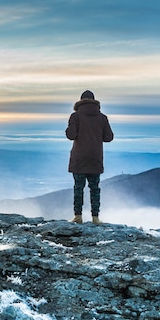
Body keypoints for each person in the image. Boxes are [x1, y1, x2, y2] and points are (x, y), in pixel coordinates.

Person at [66, 90, 114, 224]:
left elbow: (71, 135)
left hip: (79, 158)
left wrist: (69, 129)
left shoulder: (75, 116)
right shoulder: (102, 117)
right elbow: (108, 137)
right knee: (95, 188)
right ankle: (95, 217)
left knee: (78, 188)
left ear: (80, 101)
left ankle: (78, 216)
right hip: (95, 158)